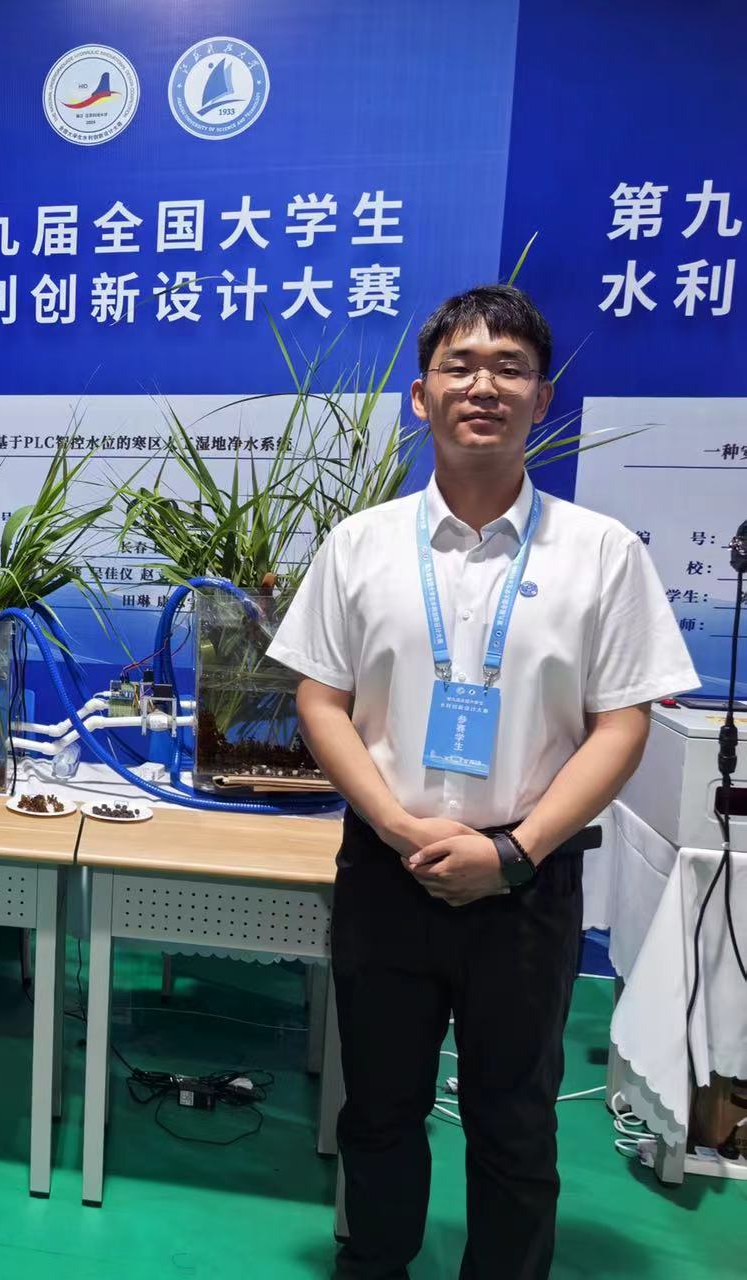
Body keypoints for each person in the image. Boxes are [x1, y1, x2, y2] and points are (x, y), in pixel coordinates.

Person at [266, 284, 697, 1279]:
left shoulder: (600, 553)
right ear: (421, 396)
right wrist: (394, 825)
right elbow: (319, 699)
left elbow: (622, 722)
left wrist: (512, 850)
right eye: (458, 365)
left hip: (525, 884)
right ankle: (374, 1263)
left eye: (509, 368)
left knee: (514, 1121)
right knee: (378, 1109)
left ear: (540, 399)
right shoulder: (360, 544)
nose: (482, 385)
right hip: (387, 872)